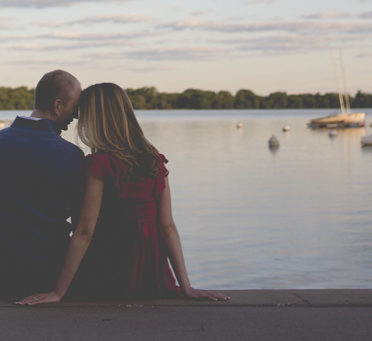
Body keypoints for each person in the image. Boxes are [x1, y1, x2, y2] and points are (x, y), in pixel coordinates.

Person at [17, 82, 229, 305]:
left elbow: (85, 232)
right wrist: (187, 287)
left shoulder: (99, 165)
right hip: (152, 272)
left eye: (82, 115)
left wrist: (58, 293)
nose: (79, 121)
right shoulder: (155, 161)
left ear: (95, 120)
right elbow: (167, 226)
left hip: (112, 268)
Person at [0, 69, 85, 300]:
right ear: (58, 106)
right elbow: (83, 226)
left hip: (0, 273)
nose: (76, 115)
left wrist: (6, 247)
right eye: (75, 107)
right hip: (49, 275)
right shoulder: (70, 155)